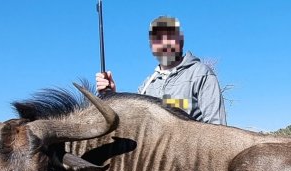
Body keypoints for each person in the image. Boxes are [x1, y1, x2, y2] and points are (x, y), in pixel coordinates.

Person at [96, 16, 227, 125]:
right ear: (151, 45)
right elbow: (133, 125)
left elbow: (218, 129)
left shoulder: (200, 73)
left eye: (170, 37)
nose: (165, 44)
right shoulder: (146, 85)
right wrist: (111, 96)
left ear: (180, 40)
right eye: (158, 39)